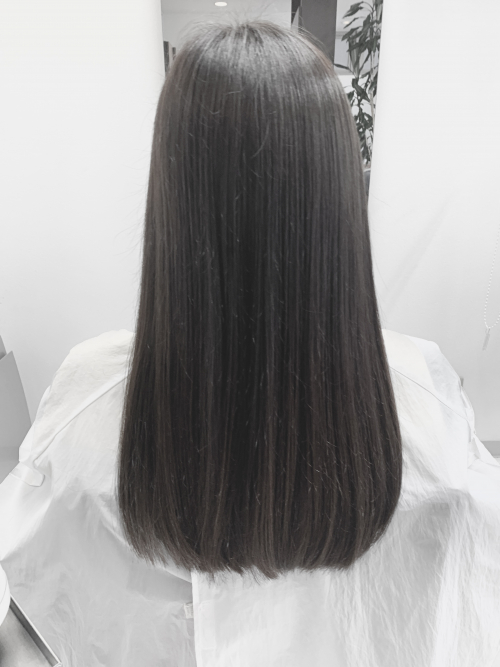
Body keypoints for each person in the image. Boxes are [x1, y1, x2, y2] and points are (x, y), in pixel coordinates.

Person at [1, 18, 500, 667]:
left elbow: (30, 598)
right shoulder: (423, 398)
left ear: (173, 199)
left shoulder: (88, 400)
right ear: (337, 197)